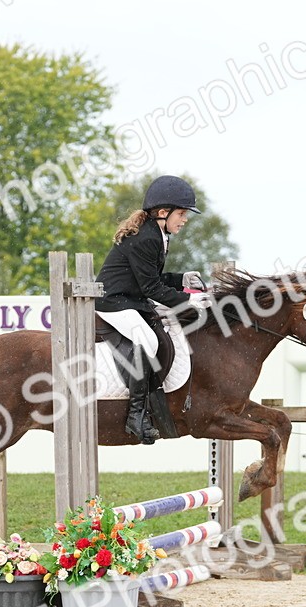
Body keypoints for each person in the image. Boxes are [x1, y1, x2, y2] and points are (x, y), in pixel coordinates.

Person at [94, 175, 213, 444]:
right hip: (114, 302)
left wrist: (181, 279)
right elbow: (151, 289)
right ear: (163, 212)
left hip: (131, 299)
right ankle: (136, 414)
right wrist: (189, 301)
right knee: (146, 339)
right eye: (181, 214)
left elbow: (152, 278)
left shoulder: (158, 233)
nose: (184, 219)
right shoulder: (147, 237)